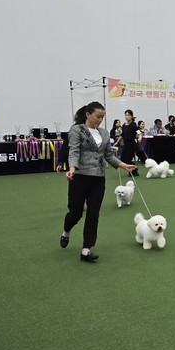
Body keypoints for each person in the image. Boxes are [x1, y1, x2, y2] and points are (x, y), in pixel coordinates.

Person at [60, 102, 137, 262]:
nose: (100, 120)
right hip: (79, 177)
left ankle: (86, 249)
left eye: (102, 117)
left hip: (98, 179)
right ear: (88, 114)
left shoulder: (104, 133)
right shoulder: (77, 130)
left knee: (93, 213)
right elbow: (73, 150)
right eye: (98, 117)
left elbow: (108, 155)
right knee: (75, 213)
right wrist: (72, 168)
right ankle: (66, 231)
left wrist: (123, 165)